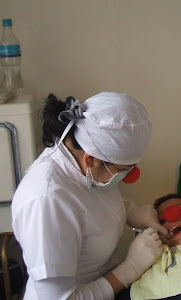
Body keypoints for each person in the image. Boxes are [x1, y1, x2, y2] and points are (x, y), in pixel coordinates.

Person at [12, 92, 168, 299]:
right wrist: (129, 270)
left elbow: (88, 201)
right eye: (124, 170)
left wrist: (129, 210)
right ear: (91, 159)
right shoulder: (46, 202)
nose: (126, 176)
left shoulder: (83, 163)